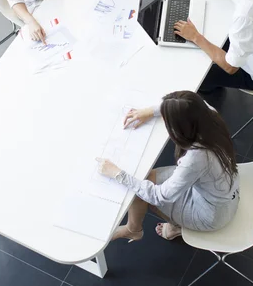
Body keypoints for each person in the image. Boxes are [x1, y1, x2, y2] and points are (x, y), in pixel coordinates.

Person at [97, 91, 239, 242]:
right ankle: (134, 228)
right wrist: (150, 111)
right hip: (224, 190)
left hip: (212, 214)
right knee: (147, 179)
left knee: (143, 191)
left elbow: (159, 197)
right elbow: (191, 104)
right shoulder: (210, 116)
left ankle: (163, 227)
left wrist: (117, 174)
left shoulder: (195, 158)